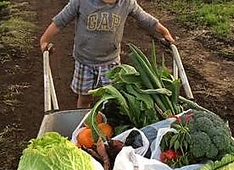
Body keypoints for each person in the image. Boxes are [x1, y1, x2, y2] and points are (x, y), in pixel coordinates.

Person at [40, 0, 176, 108]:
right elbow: (60, 21)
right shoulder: (81, 2)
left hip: (111, 63)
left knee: (112, 100)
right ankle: (83, 124)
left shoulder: (127, 3)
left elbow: (146, 19)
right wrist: (44, 40)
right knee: (85, 97)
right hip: (85, 61)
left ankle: (108, 130)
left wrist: (165, 32)